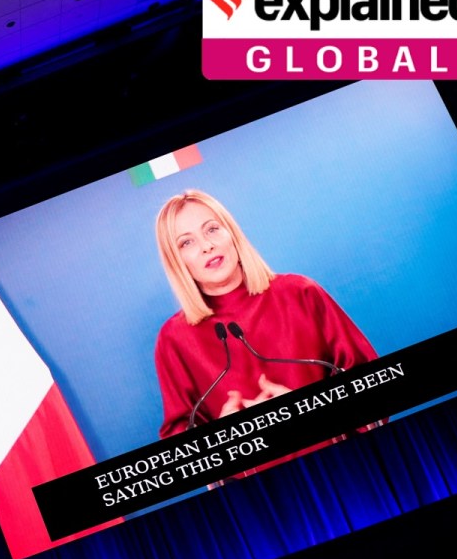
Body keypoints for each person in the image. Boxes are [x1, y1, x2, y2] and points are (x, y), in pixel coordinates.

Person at [153, 190, 377, 449]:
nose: (206, 246)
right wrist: (223, 438)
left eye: (212, 229)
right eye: (186, 243)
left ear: (232, 233)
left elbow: (373, 385)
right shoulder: (173, 339)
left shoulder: (300, 293)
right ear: (176, 261)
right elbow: (180, 449)